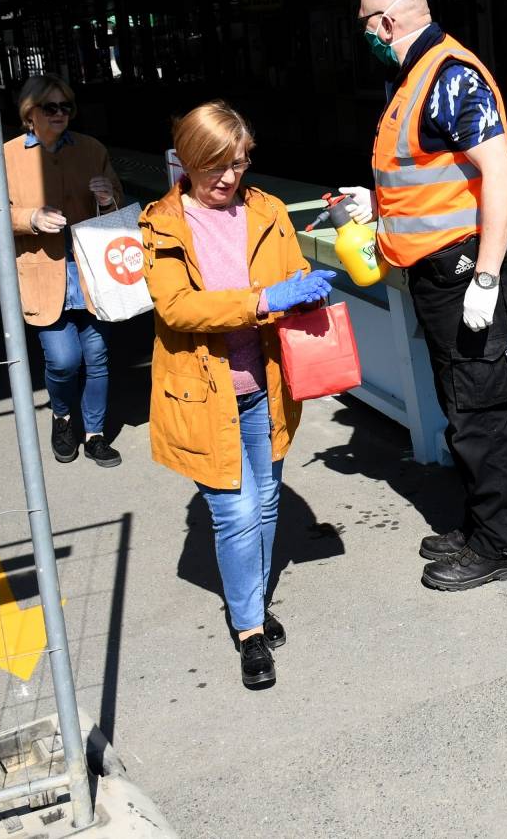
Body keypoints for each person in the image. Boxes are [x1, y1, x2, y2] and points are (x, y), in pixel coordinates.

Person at [340, 0, 507, 592]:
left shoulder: (448, 75)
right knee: (459, 404)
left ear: (386, 23)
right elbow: (429, 176)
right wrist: (377, 206)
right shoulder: (417, 77)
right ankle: (479, 527)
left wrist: (487, 277)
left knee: (479, 410)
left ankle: (500, 547)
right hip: (438, 270)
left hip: (464, 270)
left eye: (365, 25)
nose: (364, 36)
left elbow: (500, 174)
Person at [138, 101, 334, 688]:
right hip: (206, 397)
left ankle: (253, 600)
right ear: (188, 160)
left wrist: (303, 289)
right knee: (237, 512)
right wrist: (262, 299)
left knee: (268, 503)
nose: (228, 178)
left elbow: (291, 272)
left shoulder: (268, 210)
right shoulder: (162, 223)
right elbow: (176, 306)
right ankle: (249, 628)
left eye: (240, 163)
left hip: (268, 387)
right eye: (215, 166)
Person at [0, 74, 124, 468]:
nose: (61, 113)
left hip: (90, 272)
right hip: (43, 275)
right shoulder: (8, 155)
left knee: (96, 356)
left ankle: (95, 434)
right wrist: (30, 218)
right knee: (63, 360)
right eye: (51, 107)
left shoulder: (91, 148)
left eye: (66, 106)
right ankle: (63, 417)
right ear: (30, 113)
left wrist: (107, 198)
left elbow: (117, 209)